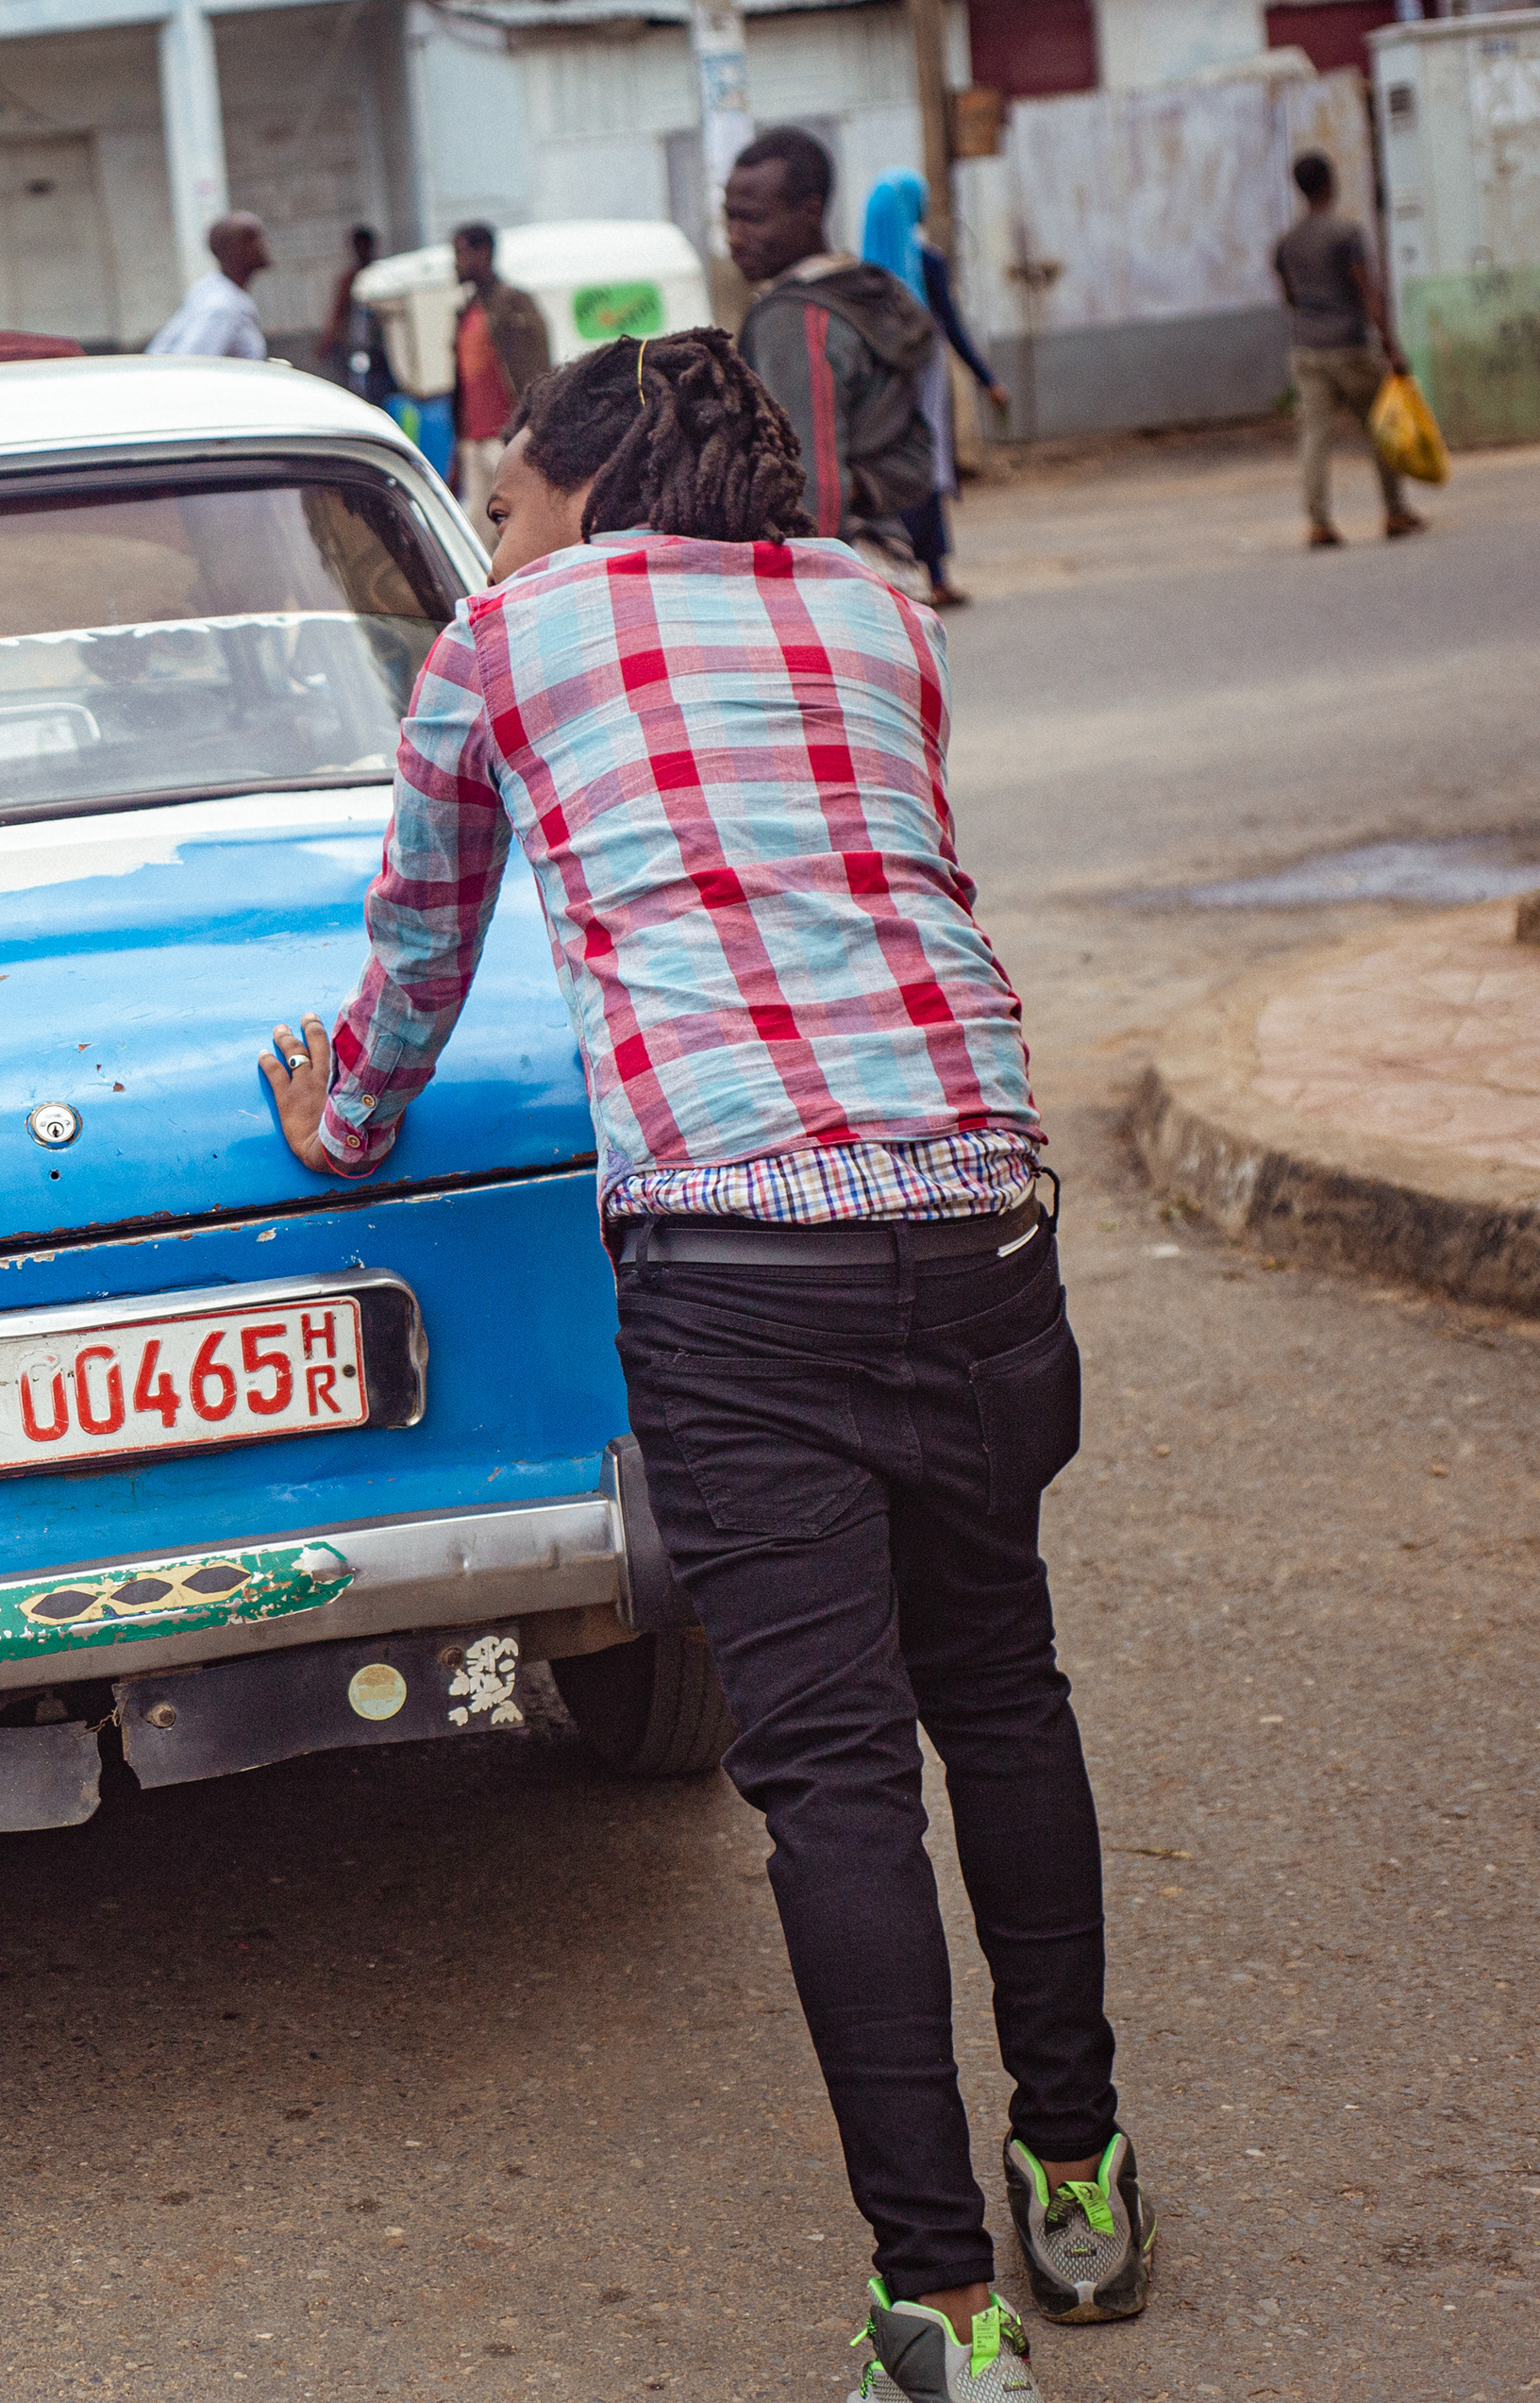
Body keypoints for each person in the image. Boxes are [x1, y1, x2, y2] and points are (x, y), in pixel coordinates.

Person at [258, 329, 1149, 2401]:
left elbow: (419, 951)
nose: (494, 534)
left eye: (502, 499)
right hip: (984, 1212)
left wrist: (346, 1127)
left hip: (746, 1257)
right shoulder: (880, 610)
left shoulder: (504, 639)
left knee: (835, 1773)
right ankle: (1081, 2169)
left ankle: (939, 2308)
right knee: (1001, 1690)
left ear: (577, 487)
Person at [725, 128, 937, 545]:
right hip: (887, 553)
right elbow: (918, 461)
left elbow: (810, 494)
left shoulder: (797, 319)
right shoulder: (868, 294)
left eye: (752, 218)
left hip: (831, 570)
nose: (734, 235)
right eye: (729, 216)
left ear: (810, 211)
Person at [861, 169, 1011, 609]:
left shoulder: (863, 275)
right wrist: (988, 379)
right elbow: (952, 327)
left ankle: (906, 574)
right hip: (923, 380)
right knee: (928, 470)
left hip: (880, 387)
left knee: (895, 472)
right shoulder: (927, 261)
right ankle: (937, 576)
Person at [1274, 149, 1421, 547]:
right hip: (1349, 347)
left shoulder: (1286, 243)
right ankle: (1394, 512)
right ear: (1329, 183)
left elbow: (1288, 298)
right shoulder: (1346, 235)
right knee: (1381, 427)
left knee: (1315, 438)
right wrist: (1391, 346)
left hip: (1307, 350)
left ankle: (1318, 522)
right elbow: (1368, 293)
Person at [446, 222, 554, 532]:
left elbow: (536, 374)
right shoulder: (467, 311)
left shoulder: (514, 304)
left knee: (520, 525)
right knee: (477, 535)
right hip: (473, 442)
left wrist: (531, 432)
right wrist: (458, 447)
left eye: (461, 253)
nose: (456, 262)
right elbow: (464, 386)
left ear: (485, 253)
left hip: (506, 439)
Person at [146, 211, 271, 360]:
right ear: (229, 250)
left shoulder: (219, 291)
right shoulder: (222, 307)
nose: (262, 245)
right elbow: (191, 368)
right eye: (250, 238)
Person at [317, 223, 392, 404]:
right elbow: (339, 311)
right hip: (358, 347)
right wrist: (328, 342)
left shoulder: (384, 275)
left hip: (384, 347)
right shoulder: (349, 279)